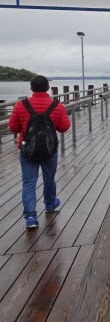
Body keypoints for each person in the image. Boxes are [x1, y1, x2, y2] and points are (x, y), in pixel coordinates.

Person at [8, 75, 71, 229]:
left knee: (28, 183)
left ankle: (30, 217)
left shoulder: (21, 105)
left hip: (27, 151)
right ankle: (49, 204)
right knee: (49, 178)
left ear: (31, 88)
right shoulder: (57, 105)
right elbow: (64, 127)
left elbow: (13, 127)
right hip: (49, 150)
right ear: (48, 87)